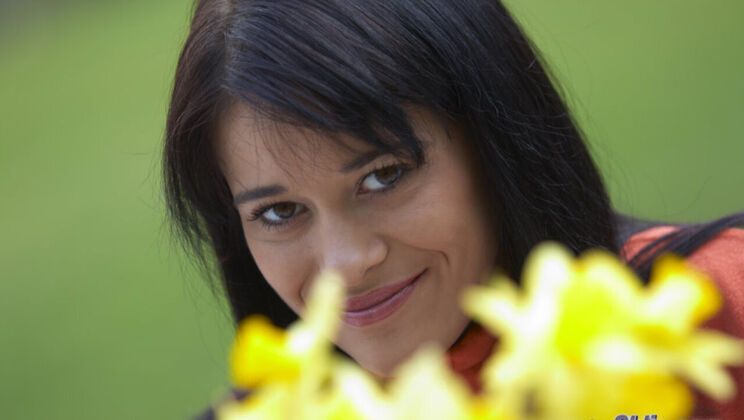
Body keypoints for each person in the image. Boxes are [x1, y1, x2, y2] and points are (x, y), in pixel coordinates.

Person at [162, 0, 744, 417]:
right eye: (280, 213)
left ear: (497, 143)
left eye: (383, 176)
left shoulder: (718, 304)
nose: (345, 265)